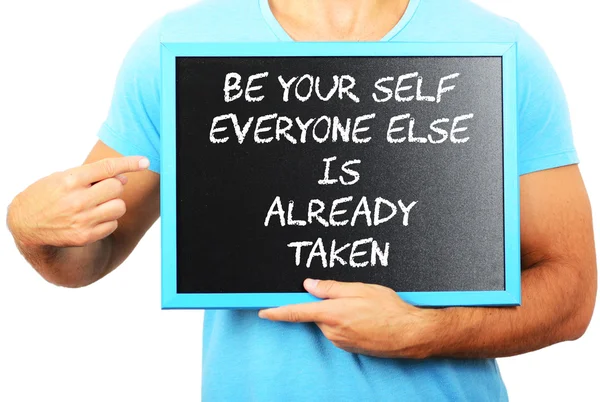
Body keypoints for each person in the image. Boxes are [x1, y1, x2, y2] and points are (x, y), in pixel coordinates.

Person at [6, 0, 597, 400]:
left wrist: (424, 332)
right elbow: (89, 258)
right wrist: (31, 228)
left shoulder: (495, 48)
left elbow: (571, 294)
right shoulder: (179, 47)